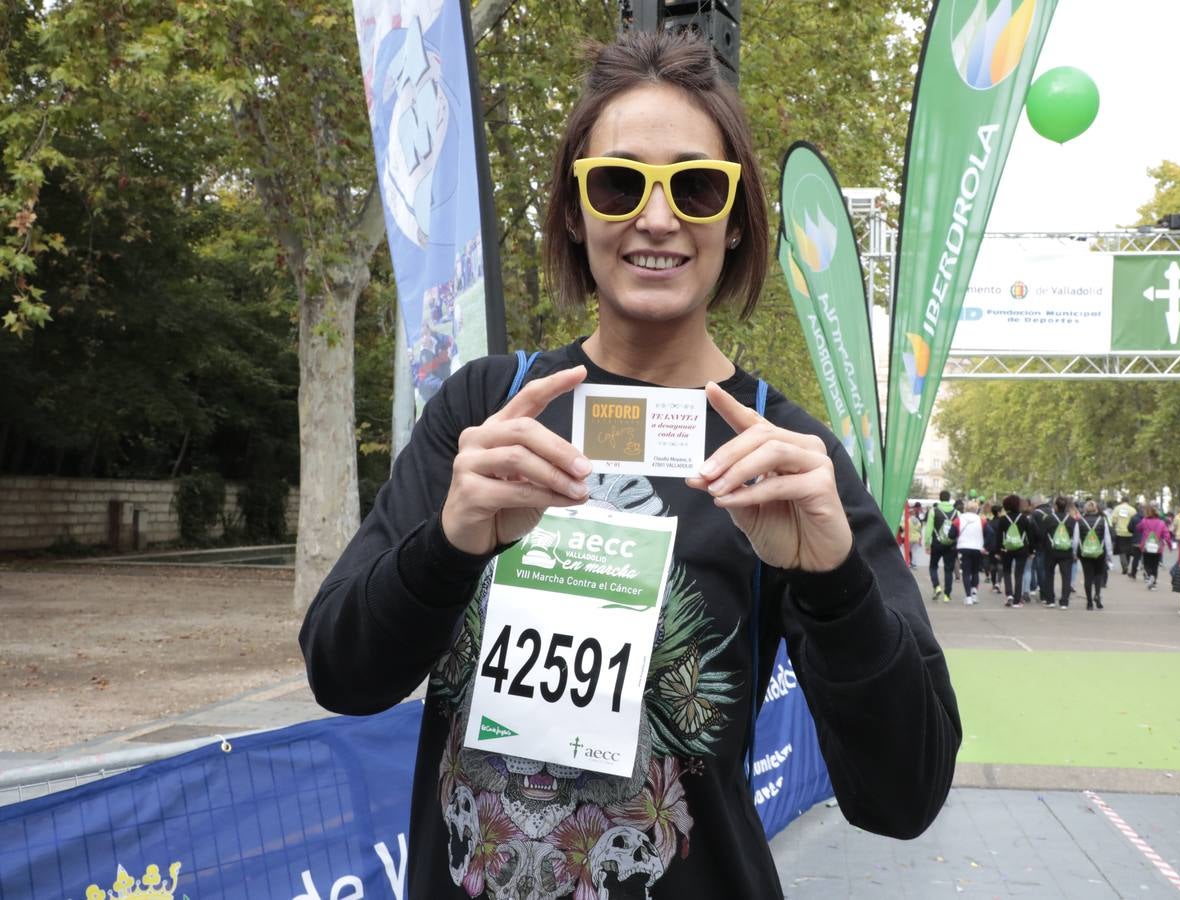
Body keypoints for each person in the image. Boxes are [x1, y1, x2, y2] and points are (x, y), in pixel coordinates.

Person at [299, 32, 960, 898]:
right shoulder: (486, 411)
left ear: (734, 218)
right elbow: (341, 675)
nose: (657, 218)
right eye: (618, 183)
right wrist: (449, 547)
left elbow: (903, 796)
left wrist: (834, 583)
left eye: (694, 186)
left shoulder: (784, 458)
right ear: (576, 213)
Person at [1043, 496, 1080, 609]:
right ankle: (1064, 602)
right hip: (1066, 551)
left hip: (1051, 551)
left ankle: (1050, 600)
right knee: (1066, 576)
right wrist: (1074, 552)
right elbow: (1075, 538)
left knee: (1049, 575)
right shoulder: (1072, 520)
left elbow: (1043, 535)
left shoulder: (1048, 519)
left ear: (1055, 506)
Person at [925, 490, 960, 604]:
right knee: (948, 570)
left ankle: (937, 586)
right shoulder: (957, 512)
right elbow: (959, 529)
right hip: (951, 544)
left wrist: (927, 543)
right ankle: (947, 595)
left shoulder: (933, 511)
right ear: (949, 498)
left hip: (937, 543)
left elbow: (929, 528)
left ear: (940, 498)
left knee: (933, 566)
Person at [997, 494, 1030, 608]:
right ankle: (1017, 600)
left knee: (1006, 571)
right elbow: (1030, 535)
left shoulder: (1002, 519)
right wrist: (1031, 550)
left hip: (1006, 548)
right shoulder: (1024, 519)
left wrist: (998, 550)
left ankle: (1009, 594)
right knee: (1019, 573)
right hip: (1022, 548)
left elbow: (998, 536)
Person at [1078, 501, 1113, 610]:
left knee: (1087, 576)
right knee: (1098, 574)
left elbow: (1075, 539)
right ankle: (1097, 594)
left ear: (1085, 510)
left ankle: (1089, 602)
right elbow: (1107, 539)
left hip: (1085, 553)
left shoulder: (1080, 521)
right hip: (1099, 552)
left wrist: (1074, 552)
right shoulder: (1103, 521)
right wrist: (1109, 554)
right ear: (1097, 509)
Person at [1134, 504, 1173, 590]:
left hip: (1146, 546)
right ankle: (1153, 583)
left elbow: (1137, 528)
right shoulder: (1161, 523)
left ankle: (1149, 575)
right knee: (1155, 565)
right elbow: (1167, 535)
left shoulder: (1144, 521)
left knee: (1147, 563)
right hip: (1157, 547)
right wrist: (1170, 546)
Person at [955, 499, 985, 605]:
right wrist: (985, 546)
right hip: (977, 548)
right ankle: (974, 593)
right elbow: (990, 533)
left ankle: (968, 597)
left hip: (964, 547)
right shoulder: (981, 520)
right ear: (976, 509)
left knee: (966, 572)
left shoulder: (959, 519)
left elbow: (952, 533)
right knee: (975, 571)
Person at [1110, 496, 1137, 579]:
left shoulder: (1117, 509)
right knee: (1128, 550)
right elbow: (1135, 521)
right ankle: (1127, 564)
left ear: (1121, 501)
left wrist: (1113, 529)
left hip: (1119, 532)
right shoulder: (1132, 510)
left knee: (1121, 550)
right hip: (1130, 533)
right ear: (1128, 501)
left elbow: (1113, 521)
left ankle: (1124, 566)